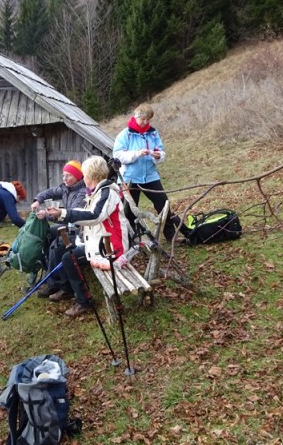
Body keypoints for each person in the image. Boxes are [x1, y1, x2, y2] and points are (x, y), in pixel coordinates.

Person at [45, 156, 130, 317]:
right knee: (66, 255)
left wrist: (65, 214)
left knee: (69, 259)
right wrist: (63, 213)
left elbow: (95, 215)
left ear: (91, 175)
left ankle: (84, 301)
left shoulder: (107, 192)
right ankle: (73, 293)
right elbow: (87, 213)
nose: (83, 178)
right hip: (97, 241)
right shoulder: (96, 192)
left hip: (111, 245)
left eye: (84, 174)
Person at [112, 103, 182, 241]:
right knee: (129, 211)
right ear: (136, 117)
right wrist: (137, 154)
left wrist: (158, 155)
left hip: (150, 176)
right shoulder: (125, 135)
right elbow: (118, 156)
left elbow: (161, 151)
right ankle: (131, 240)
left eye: (148, 120)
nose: (146, 122)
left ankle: (171, 236)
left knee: (163, 204)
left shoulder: (153, 133)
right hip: (129, 178)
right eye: (143, 119)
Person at [30, 160, 87, 298]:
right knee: (47, 234)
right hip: (69, 225)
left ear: (78, 176)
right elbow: (49, 192)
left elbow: (70, 216)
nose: (65, 179)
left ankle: (61, 285)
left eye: (69, 175)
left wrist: (46, 215)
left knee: (56, 246)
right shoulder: (66, 188)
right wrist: (38, 200)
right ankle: (50, 274)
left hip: (79, 229)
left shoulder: (82, 192)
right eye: (63, 175)